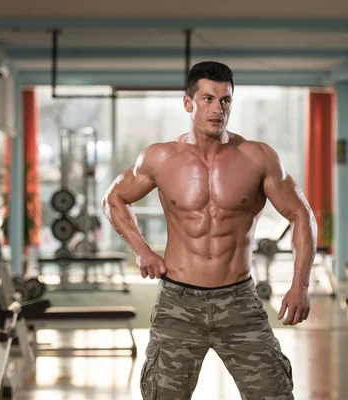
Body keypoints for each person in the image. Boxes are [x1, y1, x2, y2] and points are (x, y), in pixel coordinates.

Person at [102, 61, 317, 400]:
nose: (217, 109)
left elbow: (302, 215)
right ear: (188, 103)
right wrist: (142, 250)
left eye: (225, 101)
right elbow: (114, 198)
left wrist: (299, 286)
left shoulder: (258, 157)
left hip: (239, 301)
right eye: (207, 99)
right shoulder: (160, 158)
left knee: (274, 394)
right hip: (178, 303)